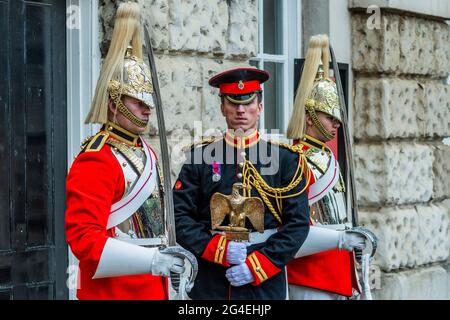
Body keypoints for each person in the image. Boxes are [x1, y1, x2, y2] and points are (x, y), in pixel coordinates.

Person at [65, 2, 185, 300]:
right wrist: (151, 261)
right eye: (137, 102)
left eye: (148, 103)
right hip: (115, 292)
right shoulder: (97, 158)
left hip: (153, 288)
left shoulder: (146, 151)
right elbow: (84, 239)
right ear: (113, 102)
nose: (147, 110)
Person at [173, 67, 311, 300]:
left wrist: (259, 266)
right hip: (212, 280)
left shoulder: (287, 160)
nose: (241, 110)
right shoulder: (199, 158)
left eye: (248, 103)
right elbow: (179, 217)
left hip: (265, 282)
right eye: (233, 103)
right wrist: (218, 250)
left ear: (260, 107)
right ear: (222, 107)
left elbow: (297, 224)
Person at [285, 34, 368, 300]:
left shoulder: (325, 156)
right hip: (312, 277)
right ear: (309, 117)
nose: (336, 124)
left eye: (336, 117)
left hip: (336, 275)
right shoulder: (298, 160)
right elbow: (294, 228)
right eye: (329, 116)